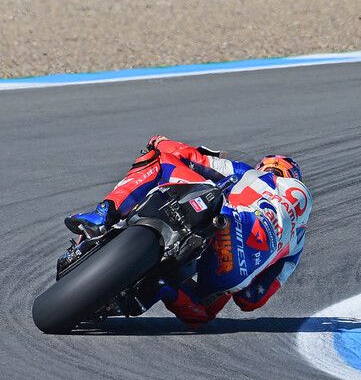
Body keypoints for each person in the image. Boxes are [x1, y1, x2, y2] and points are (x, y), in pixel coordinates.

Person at [64, 135, 311, 327]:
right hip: (233, 269)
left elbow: (195, 158)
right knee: (206, 310)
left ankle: (104, 213)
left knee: (158, 160)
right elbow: (251, 300)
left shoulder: (253, 174)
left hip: (229, 220)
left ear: (270, 167)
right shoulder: (297, 243)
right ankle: (163, 286)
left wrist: (160, 142)